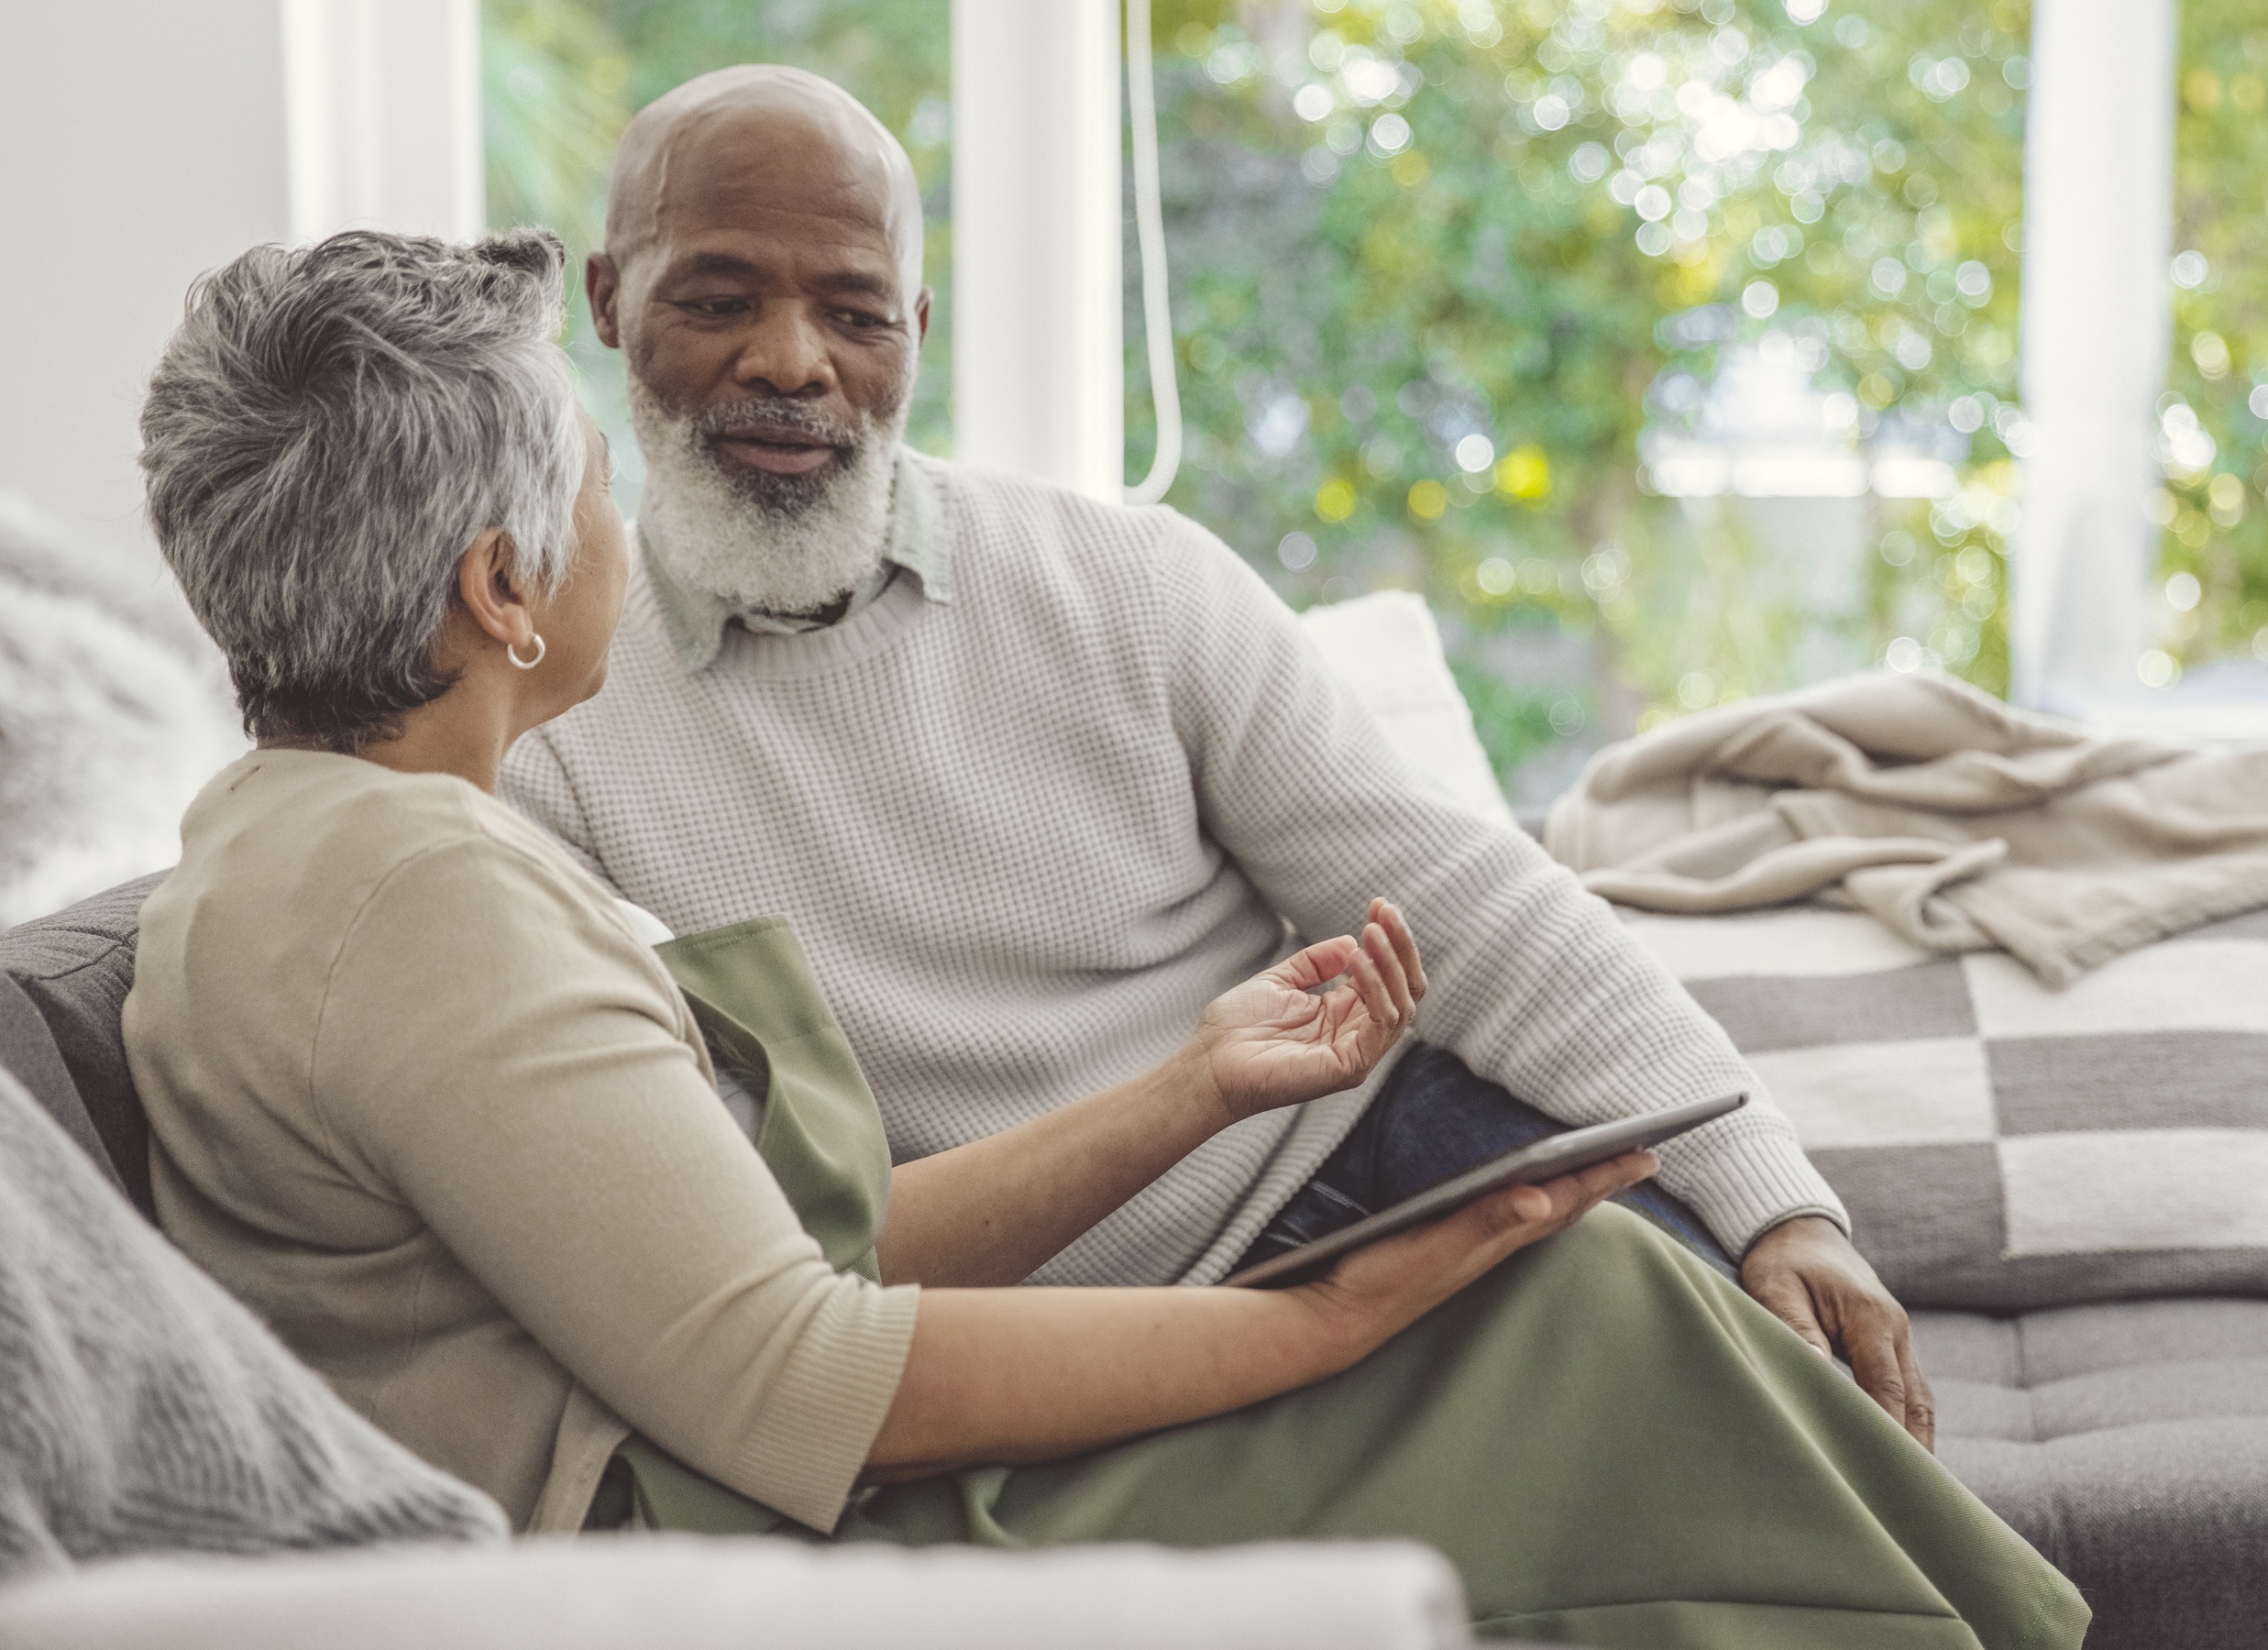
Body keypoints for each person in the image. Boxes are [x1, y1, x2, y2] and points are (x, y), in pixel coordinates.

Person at [122, 228, 2087, 1647]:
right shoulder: (424, 894)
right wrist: (1316, 1322)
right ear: (503, 585)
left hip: (760, 1461)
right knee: (1585, 1328)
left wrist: (1189, 1094)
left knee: (1589, 1309)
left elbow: (764, 1269)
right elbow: (805, 1370)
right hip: (772, 1541)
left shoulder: (326, 844)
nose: (630, 502)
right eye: (586, 464)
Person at [497, 62, 1939, 1436]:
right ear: (612, 305)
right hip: (1013, 1337)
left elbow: (1460, 899)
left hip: (1369, 1160)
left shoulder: (1130, 582)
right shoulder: (540, 719)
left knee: (1771, 1400)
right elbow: (720, 1217)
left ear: (918, 329)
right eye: (722, 296)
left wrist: (1774, 1197)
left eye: (855, 312)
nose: (791, 362)